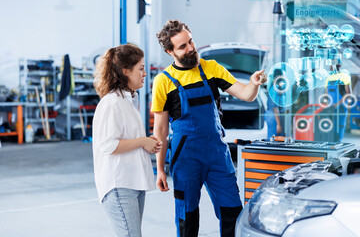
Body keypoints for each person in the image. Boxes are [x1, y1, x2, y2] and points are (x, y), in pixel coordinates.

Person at [151, 20, 267, 237]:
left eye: (191, 41)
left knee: (232, 210)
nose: (191, 48)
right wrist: (160, 169)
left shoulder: (211, 68)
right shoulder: (163, 81)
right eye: (182, 46)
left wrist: (253, 83)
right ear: (170, 51)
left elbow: (246, 94)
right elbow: (160, 131)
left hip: (216, 154)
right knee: (188, 217)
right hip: (185, 157)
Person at [92, 43, 162, 237]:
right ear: (125, 71)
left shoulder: (128, 100)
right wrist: (141, 142)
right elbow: (108, 145)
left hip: (133, 183)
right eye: (140, 69)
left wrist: (147, 143)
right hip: (119, 186)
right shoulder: (112, 103)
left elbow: (127, 138)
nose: (145, 74)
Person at [325, 64, 351, 141]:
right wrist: (326, 103)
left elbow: (348, 94)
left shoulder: (344, 77)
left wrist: (338, 103)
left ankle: (338, 143)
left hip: (341, 107)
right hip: (330, 107)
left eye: (331, 65)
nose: (330, 67)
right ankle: (332, 143)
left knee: (340, 126)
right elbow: (326, 94)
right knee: (330, 126)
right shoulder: (328, 78)